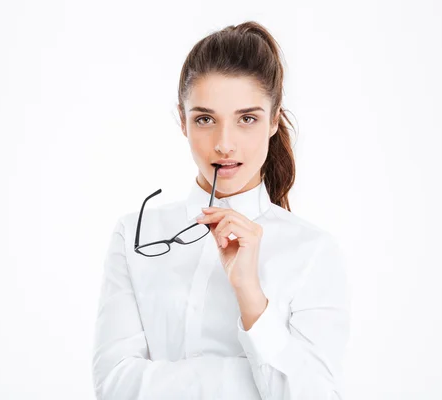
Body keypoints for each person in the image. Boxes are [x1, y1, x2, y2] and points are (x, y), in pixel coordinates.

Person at [92, 20, 351, 400]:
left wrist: (250, 293)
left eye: (247, 118)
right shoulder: (135, 235)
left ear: (274, 119)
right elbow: (114, 386)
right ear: (182, 121)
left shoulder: (313, 251)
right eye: (205, 119)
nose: (225, 144)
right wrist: (249, 378)